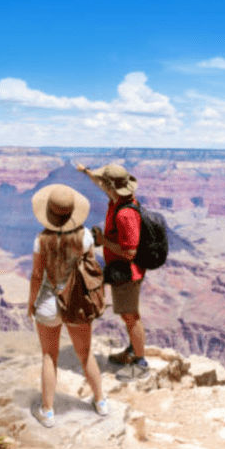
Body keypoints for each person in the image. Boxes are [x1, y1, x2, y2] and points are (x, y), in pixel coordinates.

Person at [28, 184, 108, 427]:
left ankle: (48, 411)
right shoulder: (85, 237)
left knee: (49, 356)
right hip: (77, 302)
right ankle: (101, 401)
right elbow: (91, 268)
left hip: (49, 302)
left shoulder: (41, 241)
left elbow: (36, 276)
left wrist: (31, 304)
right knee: (85, 353)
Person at [77, 163, 149, 380]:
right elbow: (103, 184)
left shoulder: (124, 214)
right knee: (128, 315)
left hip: (128, 272)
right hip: (121, 270)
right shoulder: (119, 199)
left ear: (112, 187)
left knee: (131, 317)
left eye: (105, 182)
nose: (102, 185)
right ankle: (132, 350)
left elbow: (130, 251)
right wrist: (87, 171)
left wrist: (102, 241)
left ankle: (141, 363)